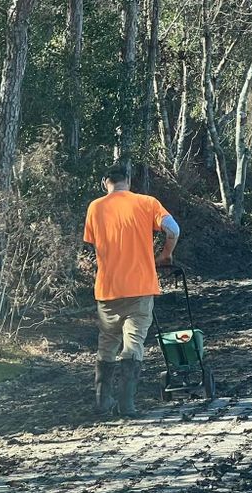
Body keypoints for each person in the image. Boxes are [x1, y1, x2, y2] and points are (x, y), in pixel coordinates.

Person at [83, 164, 180, 417]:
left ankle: (102, 401)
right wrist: (165, 254)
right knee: (133, 344)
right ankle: (127, 405)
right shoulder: (147, 203)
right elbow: (174, 229)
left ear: (106, 182)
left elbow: (95, 246)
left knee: (107, 344)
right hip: (140, 287)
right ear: (128, 180)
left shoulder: (95, 207)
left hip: (107, 289)